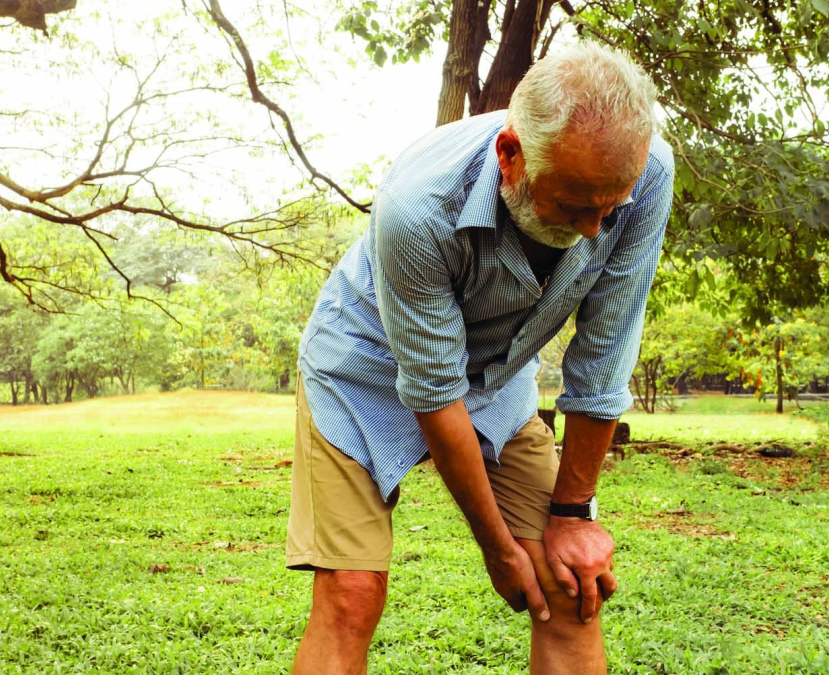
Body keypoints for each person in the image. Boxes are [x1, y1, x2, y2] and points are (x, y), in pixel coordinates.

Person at [287, 41, 673, 675]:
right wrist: (497, 548)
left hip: (499, 374)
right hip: (361, 368)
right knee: (352, 595)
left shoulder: (645, 173)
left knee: (566, 585)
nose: (592, 232)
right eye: (574, 206)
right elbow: (436, 396)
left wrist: (572, 516)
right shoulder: (418, 207)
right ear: (510, 155)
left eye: (610, 208)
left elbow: (606, 351)